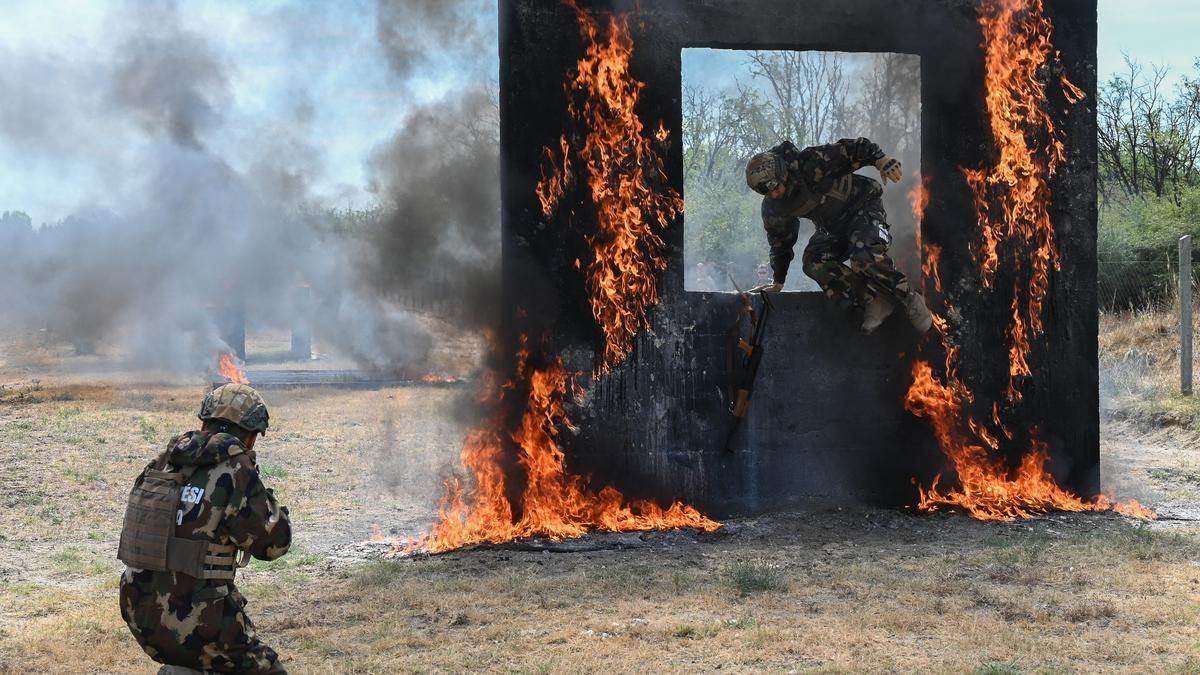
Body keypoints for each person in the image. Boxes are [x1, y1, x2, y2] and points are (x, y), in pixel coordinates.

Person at [118, 383, 291, 675]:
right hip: (199, 620)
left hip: (139, 611)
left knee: (193, 659)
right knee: (265, 669)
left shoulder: (164, 461)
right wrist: (266, 497)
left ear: (203, 422)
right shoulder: (236, 470)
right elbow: (274, 545)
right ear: (250, 436)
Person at [744, 138, 933, 334]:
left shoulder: (811, 163)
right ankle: (874, 300)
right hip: (833, 228)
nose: (773, 194)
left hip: (863, 208)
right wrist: (778, 280)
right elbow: (780, 241)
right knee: (813, 262)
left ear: (783, 174)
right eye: (765, 191)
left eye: (775, 187)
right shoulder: (774, 208)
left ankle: (910, 298)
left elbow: (855, 148)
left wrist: (881, 161)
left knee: (863, 254)